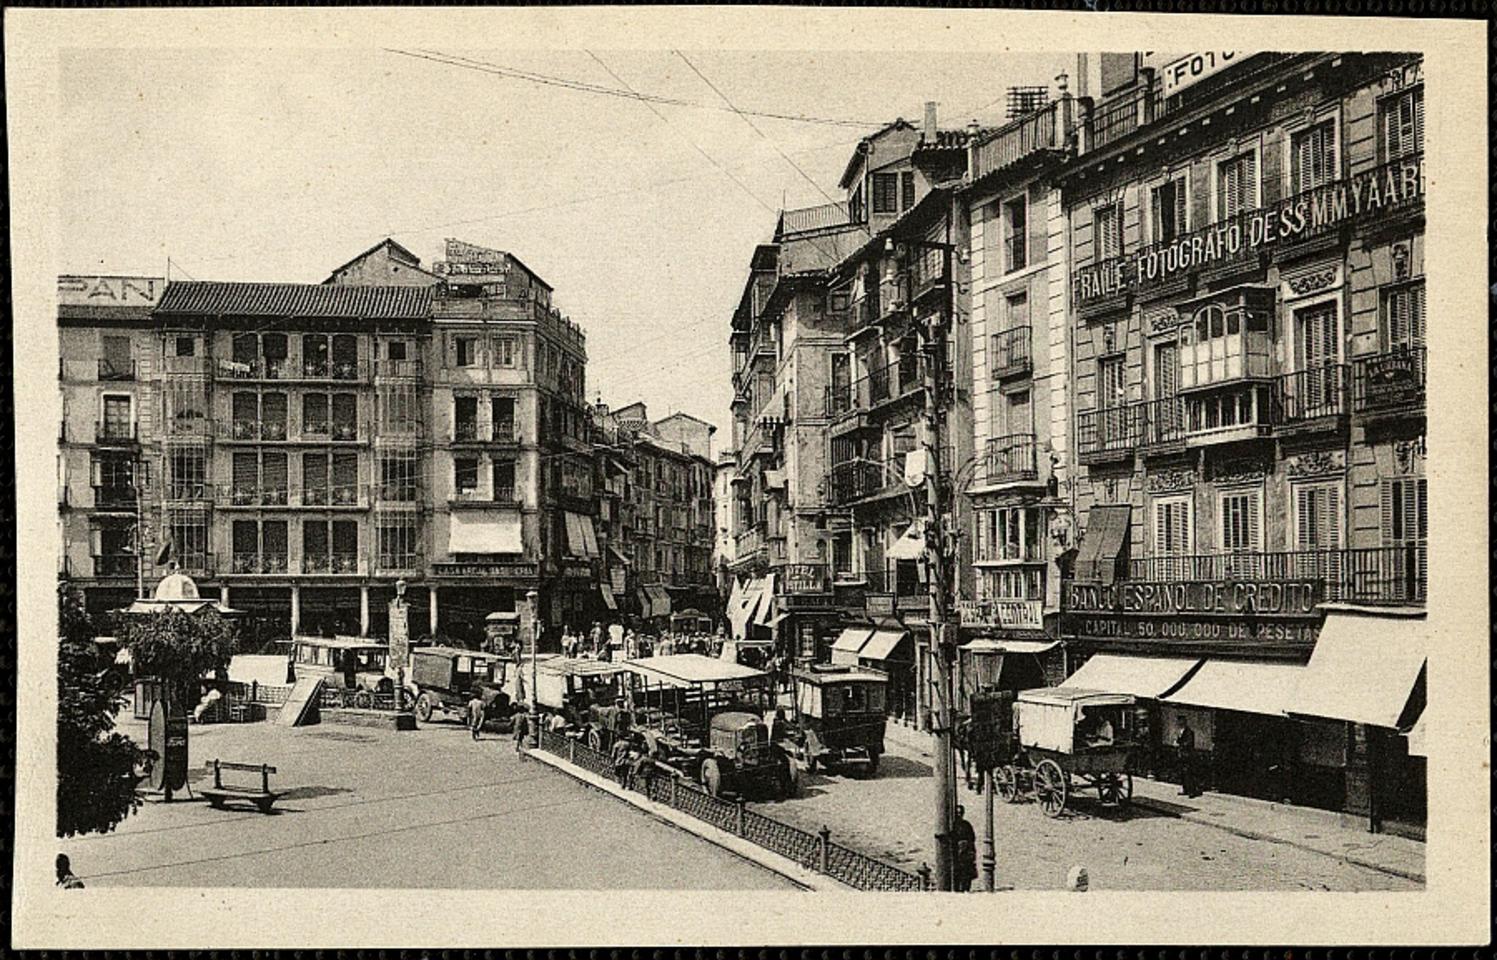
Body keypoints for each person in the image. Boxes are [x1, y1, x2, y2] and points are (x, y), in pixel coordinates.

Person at [953, 805, 978, 892]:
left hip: (966, 852)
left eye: (960, 813)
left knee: (967, 872)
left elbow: (972, 838)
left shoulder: (966, 824)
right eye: (957, 813)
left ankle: (966, 889)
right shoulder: (952, 825)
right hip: (957, 852)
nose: (959, 815)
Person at [1176, 720, 1199, 798]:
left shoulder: (1189, 732)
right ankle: (1185, 789)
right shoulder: (1180, 732)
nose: (1179, 724)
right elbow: (1179, 741)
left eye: (1180, 723)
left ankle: (1192, 791)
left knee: (1188, 774)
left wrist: (1181, 744)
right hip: (1182, 755)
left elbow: (1189, 743)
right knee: (1183, 774)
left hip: (1188, 756)